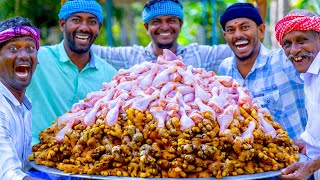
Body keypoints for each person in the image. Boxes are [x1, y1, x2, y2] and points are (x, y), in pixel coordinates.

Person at [26, 0, 117, 145]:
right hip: (33, 158)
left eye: (92, 22)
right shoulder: (36, 59)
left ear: (99, 28)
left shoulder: (110, 76)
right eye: (76, 20)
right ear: (62, 24)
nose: (84, 28)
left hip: (83, 162)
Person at [218, 3, 307, 141]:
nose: (238, 35)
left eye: (245, 27)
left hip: (298, 157)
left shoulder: (283, 60)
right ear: (225, 36)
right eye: (231, 30)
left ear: (260, 31)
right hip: (253, 158)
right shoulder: (226, 69)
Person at [91, 0, 233, 72]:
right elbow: (95, 51)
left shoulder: (199, 55)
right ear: (147, 27)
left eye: (171, 20)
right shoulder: (132, 57)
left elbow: (237, 47)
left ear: (180, 24)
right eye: (156, 22)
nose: (164, 27)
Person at [276, 9, 320, 180]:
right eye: (287, 44)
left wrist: (311, 166)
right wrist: (309, 144)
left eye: (302, 40)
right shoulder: (310, 74)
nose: (294, 50)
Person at [0, 16, 42, 180]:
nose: (24, 55)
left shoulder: (23, 105)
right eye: (13, 49)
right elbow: (10, 175)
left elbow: (24, 165)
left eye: (30, 48)